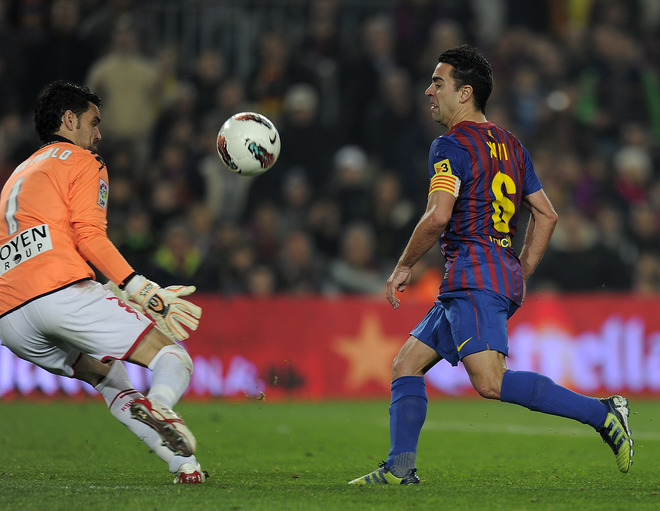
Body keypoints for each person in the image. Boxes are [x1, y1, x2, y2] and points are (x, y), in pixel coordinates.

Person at [349, 45, 633, 485]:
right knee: (407, 363)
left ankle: (603, 413)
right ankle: (399, 467)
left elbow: (439, 214)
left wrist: (403, 265)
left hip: (472, 273)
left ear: (465, 93)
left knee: (490, 381)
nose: (428, 91)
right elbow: (547, 214)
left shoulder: (450, 145)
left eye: (438, 83)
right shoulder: (512, 145)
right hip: (487, 272)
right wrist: (519, 269)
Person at [0, 80, 205, 484]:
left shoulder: (16, 176)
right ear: (69, 119)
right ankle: (162, 404)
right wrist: (139, 287)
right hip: (58, 293)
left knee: (109, 379)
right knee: (173, 358)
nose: (99, 134)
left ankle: (185, 466)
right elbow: (88, 235)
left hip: (10, 320)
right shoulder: (81, 161)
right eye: (94, 122)